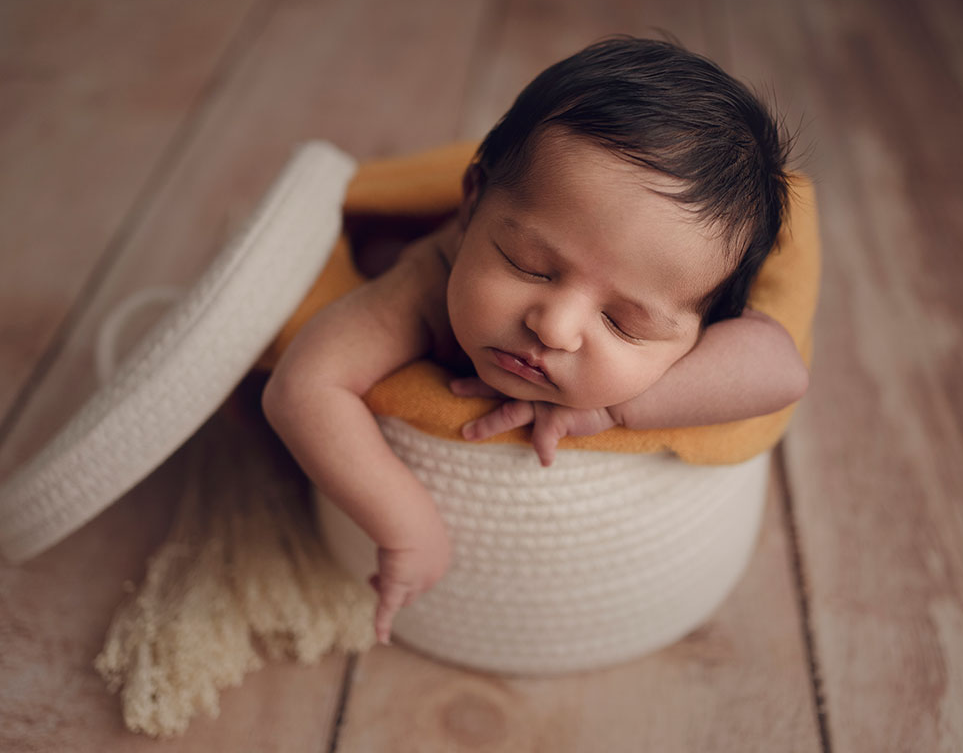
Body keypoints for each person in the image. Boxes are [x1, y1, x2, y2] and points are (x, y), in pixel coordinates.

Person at [262, 37, 809, 645]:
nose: (554, 327)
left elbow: (782, 369)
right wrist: (404, 524)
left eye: (624, 323)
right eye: (528, 265)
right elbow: (304, 385)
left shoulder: (697, 285)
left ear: (703, 329)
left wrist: (615, 406)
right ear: (471, 206)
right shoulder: (426, 282)